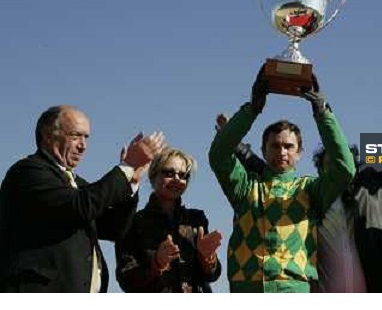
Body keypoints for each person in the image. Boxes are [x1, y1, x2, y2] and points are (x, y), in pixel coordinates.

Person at [217, 87, 382, 293]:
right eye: (327, 163)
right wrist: (238, 143)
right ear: (320, 170)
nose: (336, 167)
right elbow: (272, 178)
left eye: (341, 161)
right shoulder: (310, 195)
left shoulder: (377, 189)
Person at [209, 67, 355, 293]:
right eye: (275, 146)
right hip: (246, 287)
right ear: (263, 150)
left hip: (293, 288)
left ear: (300, 153)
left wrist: (322, 113)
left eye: (289, 146)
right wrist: (252, 109)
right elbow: (219, 154)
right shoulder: (246, 186)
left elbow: (345, 168)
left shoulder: (310, 190)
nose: (282, 152)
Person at [0, 105, 165, 292]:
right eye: (75, 136)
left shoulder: (78, 184)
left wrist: (132, 182)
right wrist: (126, 166)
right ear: (47, 135)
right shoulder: (27, 173)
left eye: (86, 137)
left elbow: (113, 228)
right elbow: (81, 206)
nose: (83, 145)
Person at [116, 147, 222, 293]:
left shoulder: (196, 220)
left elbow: (212, 276)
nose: (177, 179)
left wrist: (207, 258)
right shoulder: (134, 222)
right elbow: (126, 279)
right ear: (153, 176)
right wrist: (156, 263)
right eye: (169, 173)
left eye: (184, 175)